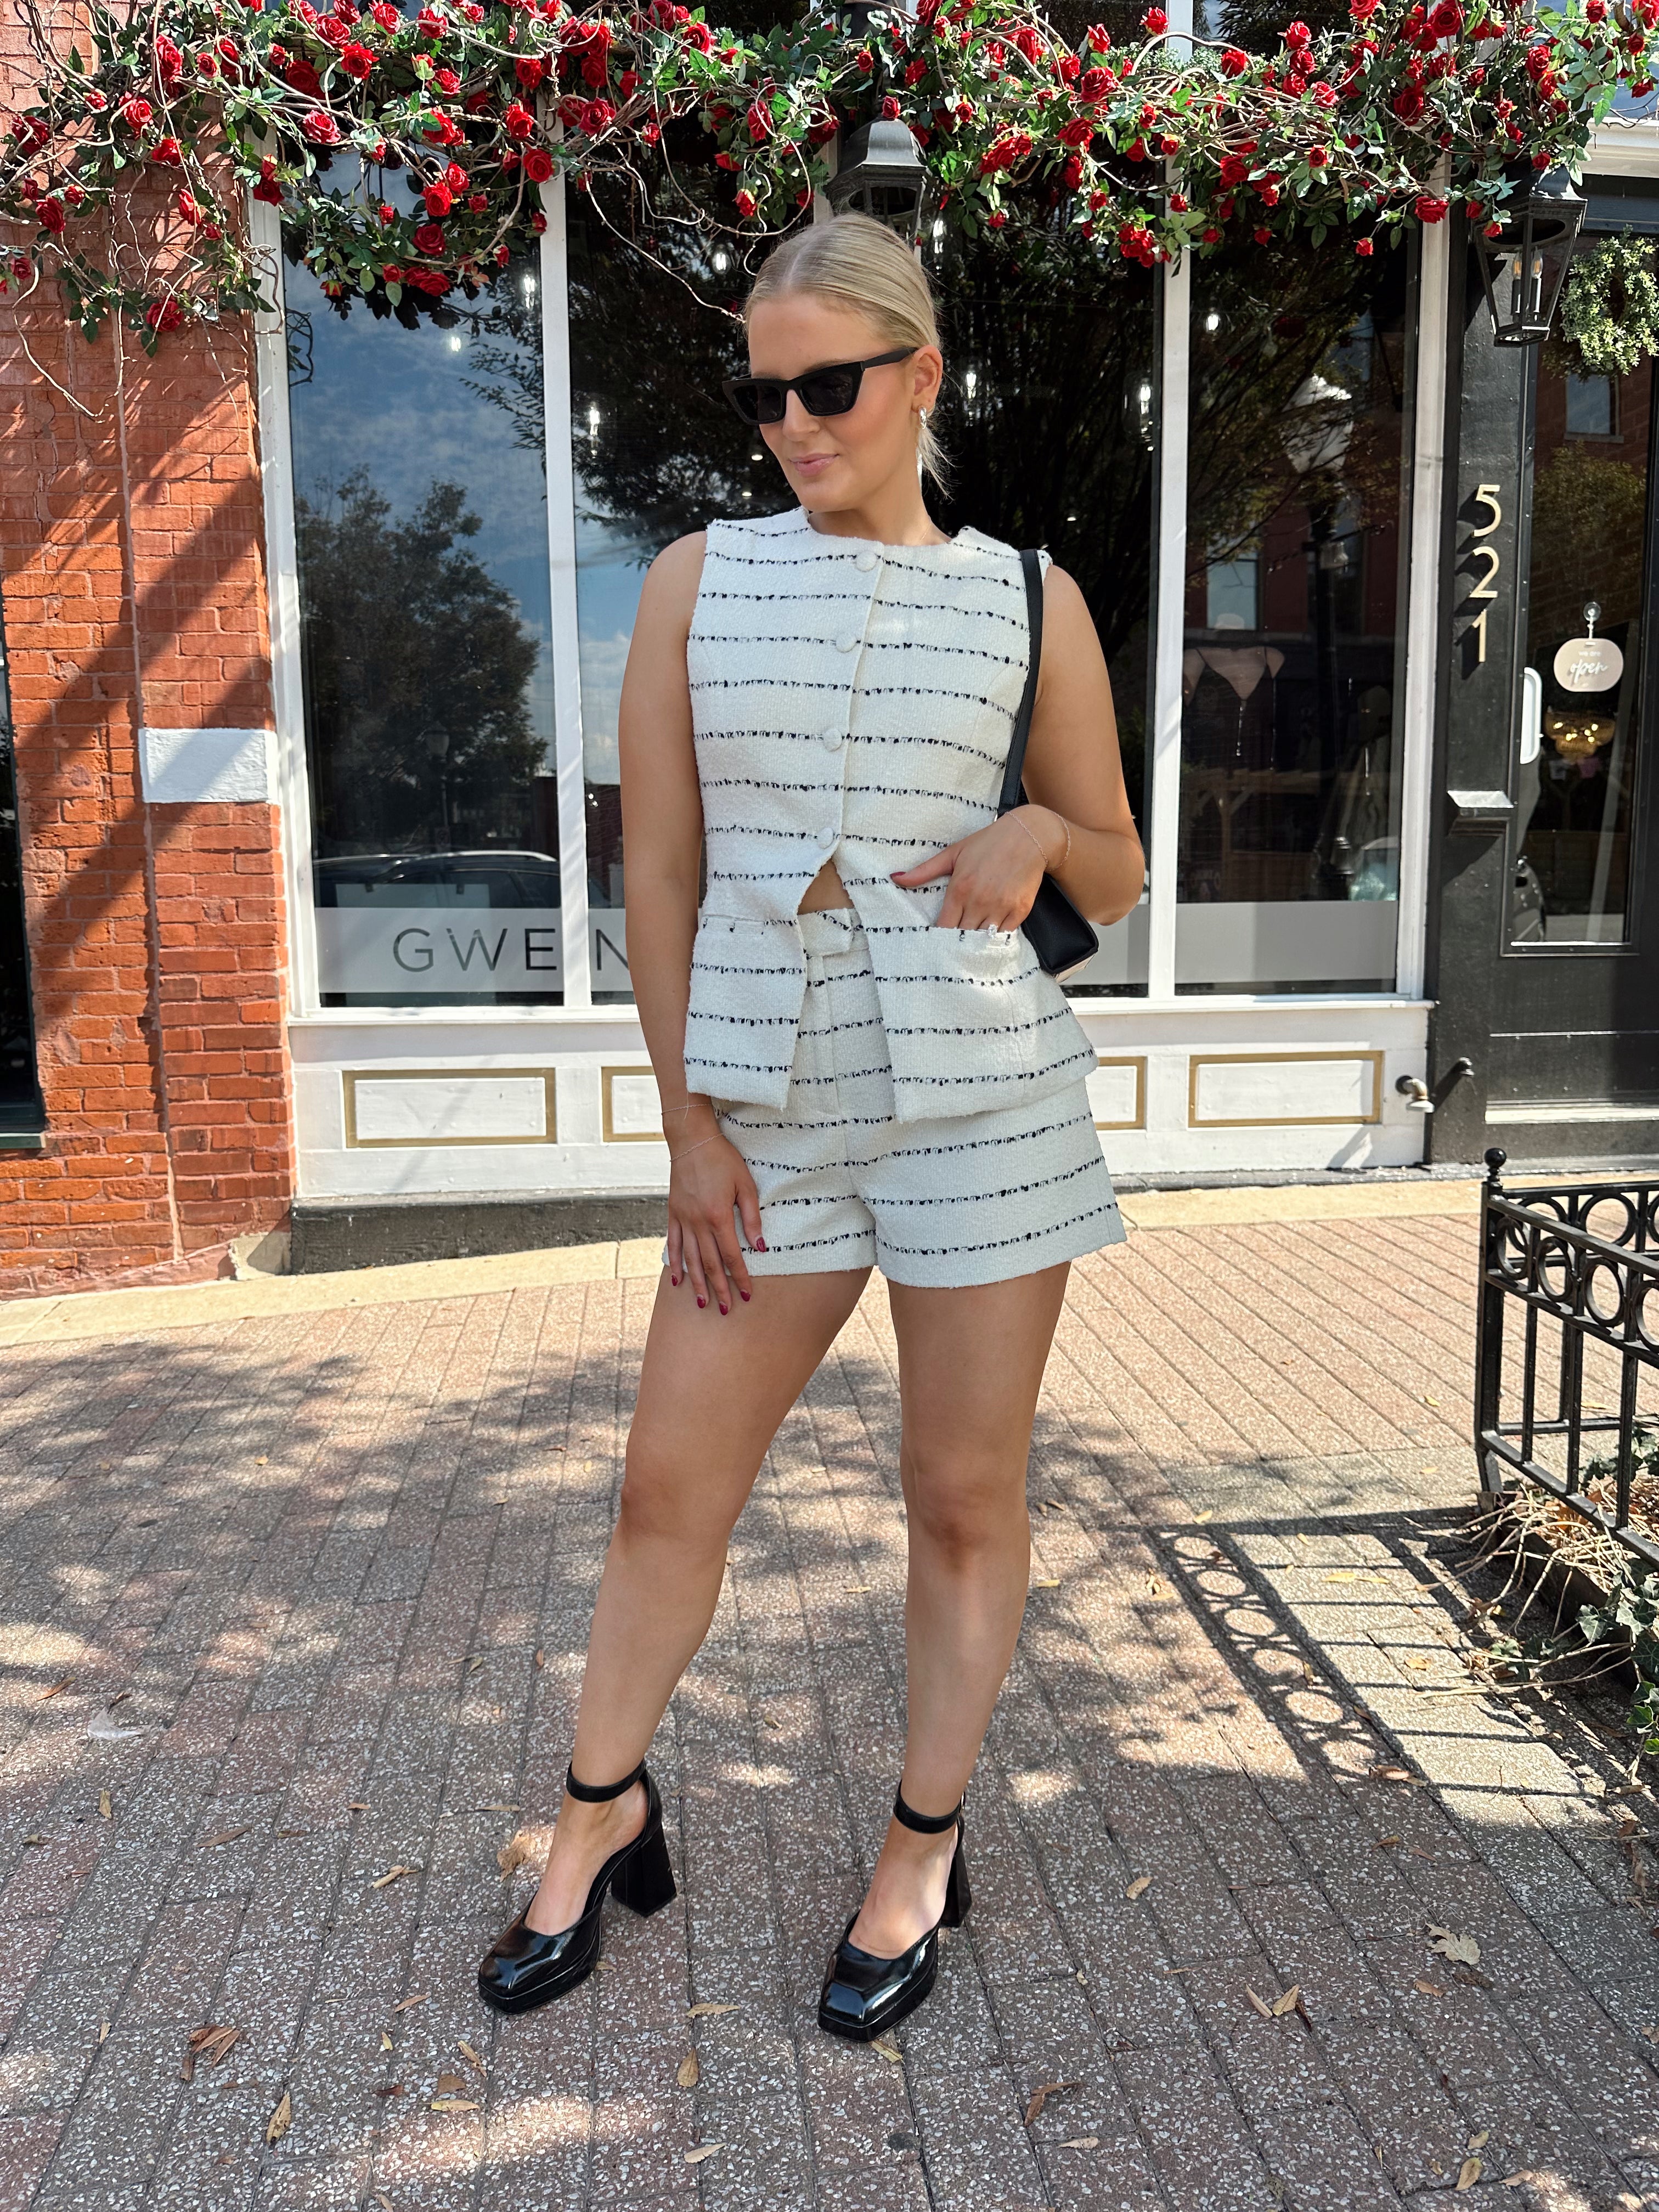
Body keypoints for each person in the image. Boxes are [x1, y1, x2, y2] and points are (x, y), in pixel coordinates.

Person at [478, 210, 1144, 2042]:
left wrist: (1038, 833)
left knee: (963, 1497)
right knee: (667, 1489)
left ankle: (923, 1843)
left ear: (922, 377)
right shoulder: (697, 581)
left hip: (985, 1105)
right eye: (763, 394)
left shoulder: (1030, 598)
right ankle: (599, 1807)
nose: (790, 424)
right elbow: (662, 873)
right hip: (762, 1111)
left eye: (827, 387)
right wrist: (688, 1130)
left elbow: (1116, 866)